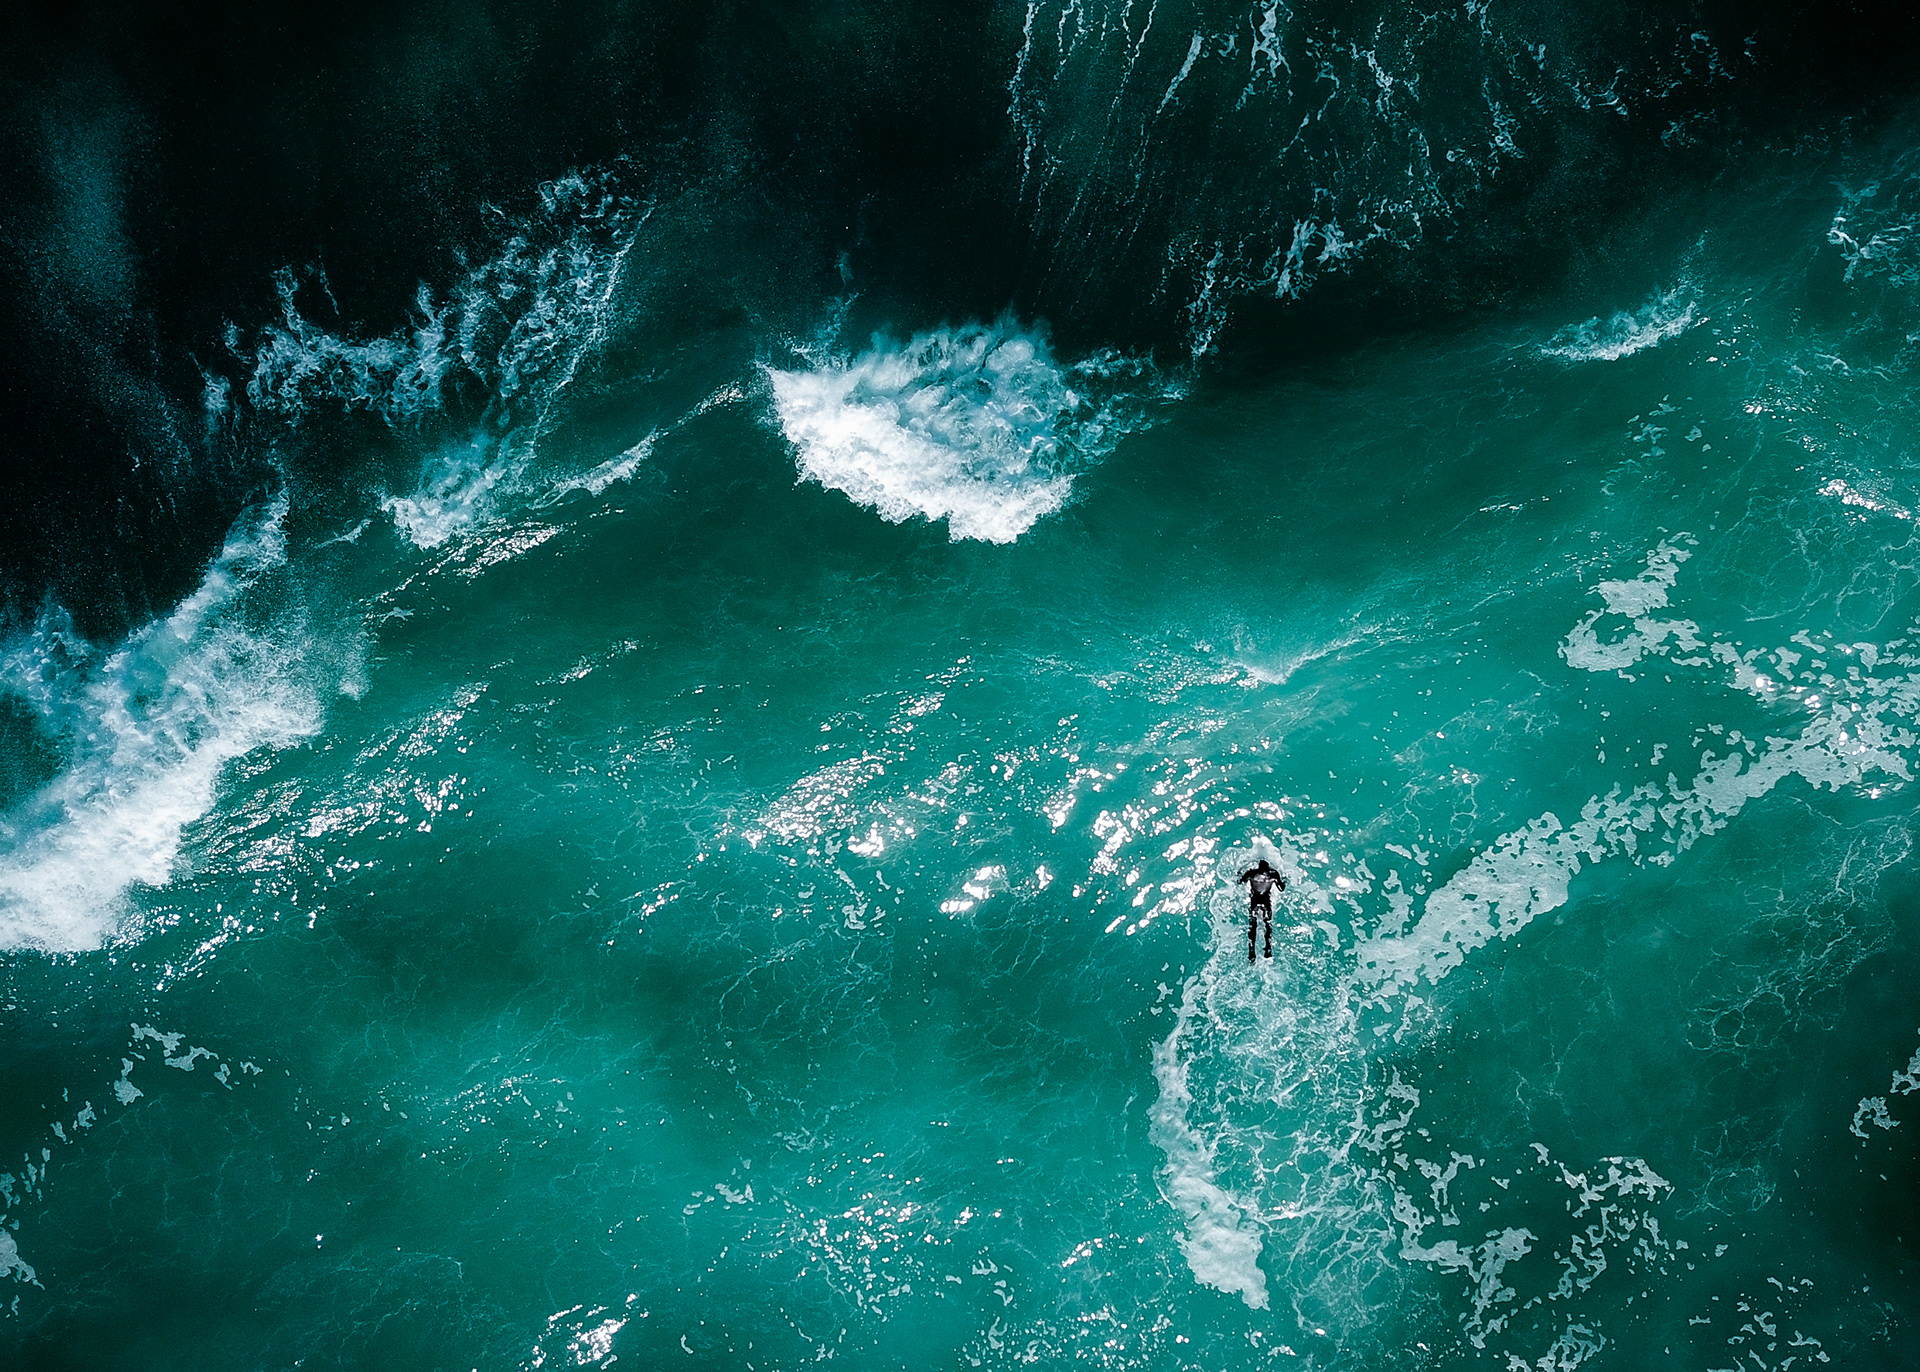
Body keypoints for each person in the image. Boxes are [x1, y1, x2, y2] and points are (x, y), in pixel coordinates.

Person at [1237, 859, 1286, 961]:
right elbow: (1282, 888)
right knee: (1268, 925)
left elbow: (1240, 881)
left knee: (1252, 926)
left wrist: (1241, 870)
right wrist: (1285, 879)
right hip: (1266, 901)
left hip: (1254, 900)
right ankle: (1268, 949)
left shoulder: (1252, 873)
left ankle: (1251, 952)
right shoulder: (1273, 875)